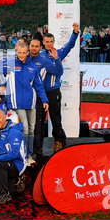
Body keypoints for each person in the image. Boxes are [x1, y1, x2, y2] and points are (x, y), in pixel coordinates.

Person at [0, 42, 49, 166]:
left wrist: (45, 100)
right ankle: (24, 155)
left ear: (28, 53)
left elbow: (39, 85)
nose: (21, 55)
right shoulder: (11, 63)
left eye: (24, 53)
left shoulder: (33, 67)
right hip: (16, 103)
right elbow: (0, 69)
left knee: (32, 129)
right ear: (17, 52)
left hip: (31, 103)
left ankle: (30, 155)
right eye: (19, 52)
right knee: (25, 129)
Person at [40, 23, 79, 152]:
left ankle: (59, 141)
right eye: (47, 41)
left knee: (55, 118)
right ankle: (38, 143)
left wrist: (75, 32)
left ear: (54, 42)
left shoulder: (58, 52)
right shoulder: (38, 55)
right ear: (43, 42)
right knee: (39, 119)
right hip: (40, 93)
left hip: (53, 92)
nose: (49, 44)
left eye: (51, 41)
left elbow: (70, 45)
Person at [29, 38, 63, 156]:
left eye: (36, 46)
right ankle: (33, 148)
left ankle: (57, 143)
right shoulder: (24, 58)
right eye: (32, 46)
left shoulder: (45, 60)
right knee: (33, 123)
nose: (34, 48)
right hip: (30, 97)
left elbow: (59, 72)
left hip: (46, 94)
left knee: (50, 120)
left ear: (40, 47)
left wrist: (56, 58)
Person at [0, 109, 26, 204]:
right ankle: (16, 180)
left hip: (17, 163)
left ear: (5, 117)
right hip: (5, 163)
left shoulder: (13, 132)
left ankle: (5, 194)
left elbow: (14, 154)